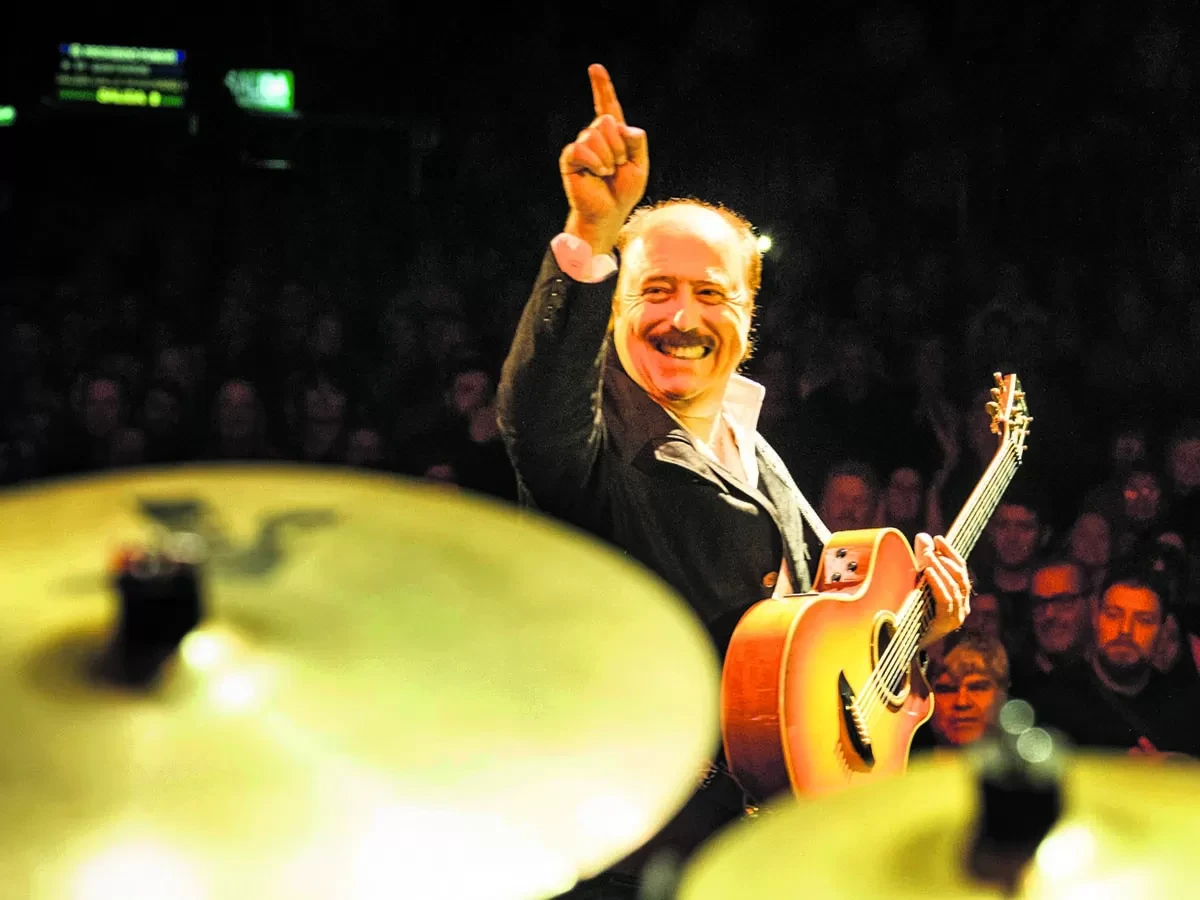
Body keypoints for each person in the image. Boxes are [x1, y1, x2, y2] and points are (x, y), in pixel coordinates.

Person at [496, 64, 972, 897]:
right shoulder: (589, 443)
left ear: (748, 318)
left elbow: (826, 633)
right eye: (655, 291)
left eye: (710, 294)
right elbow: (533, 413)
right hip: (640, 863)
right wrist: (590, 235)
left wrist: (920, 625)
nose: (681, 318)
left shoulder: (757, 450)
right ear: (615, 307)